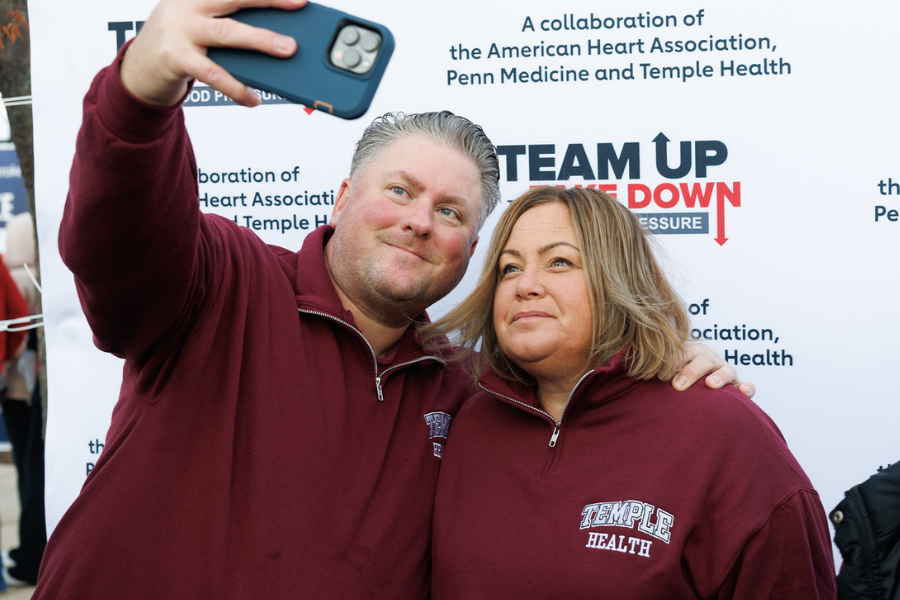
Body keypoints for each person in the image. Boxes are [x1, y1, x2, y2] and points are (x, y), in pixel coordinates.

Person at [36, 0, 752, 597]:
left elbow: (587, 421)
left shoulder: (469, 391)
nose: (418, 220)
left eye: (450, 212)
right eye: (400, 190)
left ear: (470, 252)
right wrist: (139, 92)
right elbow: (116, 242)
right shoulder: (223, 280)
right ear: (344, 198)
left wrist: (666, 367)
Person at [427, 186, 835, 599]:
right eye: (509, 268)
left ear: (619, 279)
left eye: (560, 262)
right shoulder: (466, 418)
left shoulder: (728, 433)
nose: (526, 284)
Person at [1, 213, 46, 586]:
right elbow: (16, 315)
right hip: (35, 383)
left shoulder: (7, 267)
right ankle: (35, 552)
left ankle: (26, 552)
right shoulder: (44, 278)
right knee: (37, 465)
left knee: (23, 463)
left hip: (11, 385)